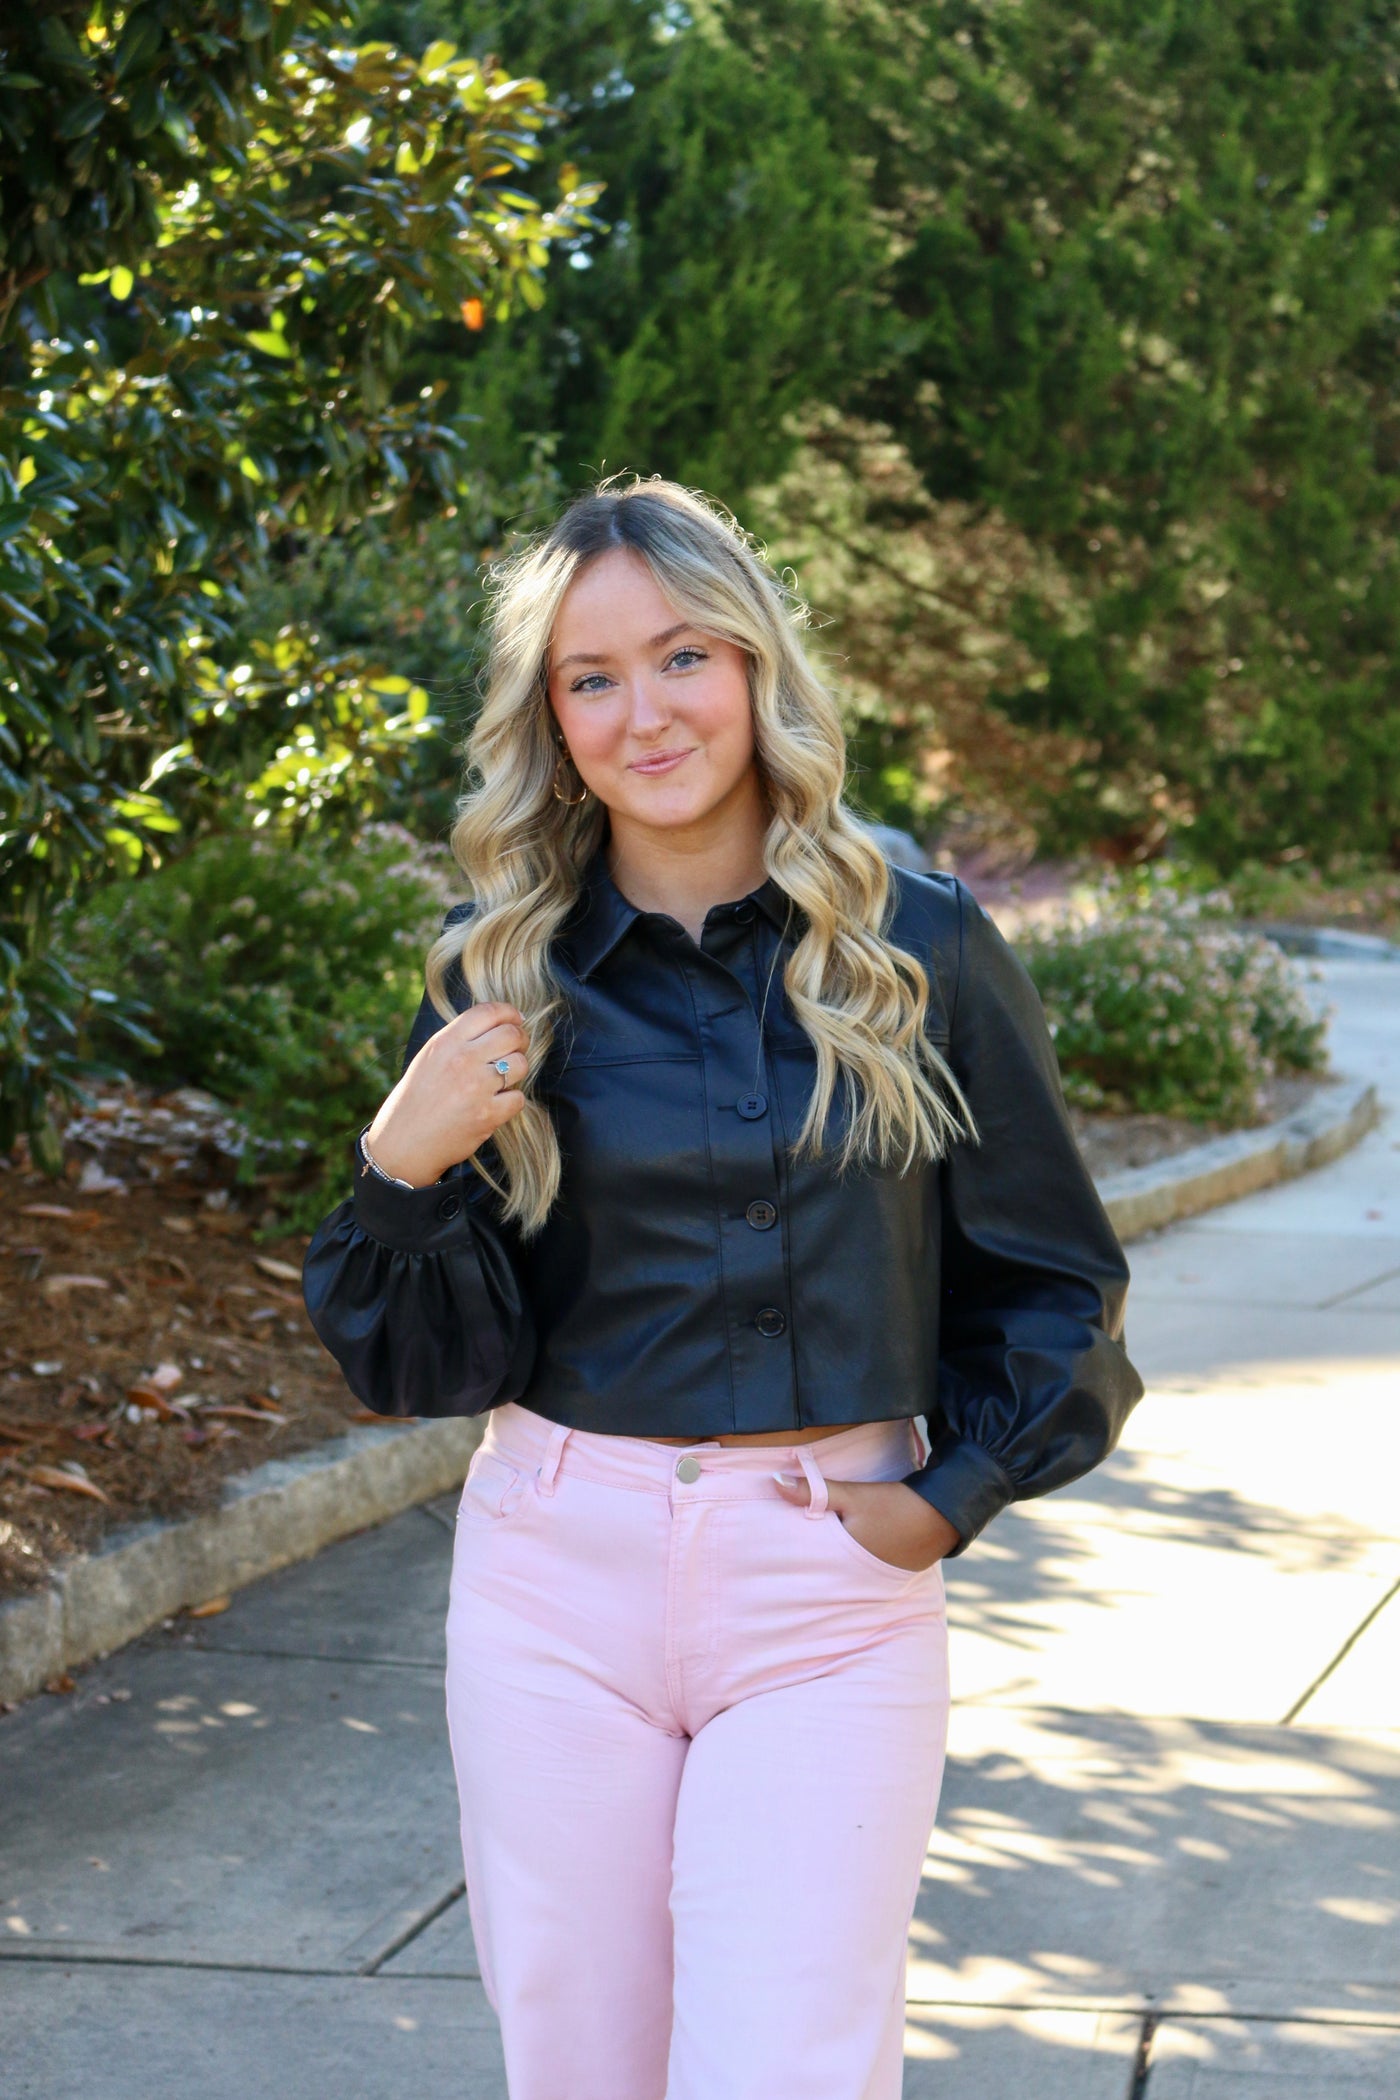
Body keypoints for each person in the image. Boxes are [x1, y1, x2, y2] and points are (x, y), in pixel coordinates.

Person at [302, 478, 1144, 2100]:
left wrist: (946, 1497)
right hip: (555, 1579)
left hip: (826, 1592)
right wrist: (399, 1170)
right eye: (590, 678)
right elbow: (413, 1362)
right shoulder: (501, 977)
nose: (645, 711)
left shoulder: (925, 953)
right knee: (582, 2064)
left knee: (787, 2063)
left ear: (756, 666)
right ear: (549, 717)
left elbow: (1058, 1285)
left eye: (682, 655)